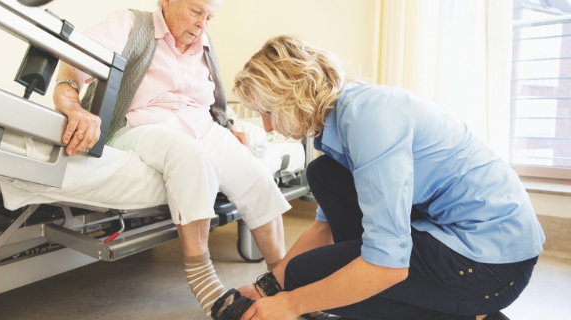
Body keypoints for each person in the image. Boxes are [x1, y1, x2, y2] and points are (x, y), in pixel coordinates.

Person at [229, 35, 545, 320]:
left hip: (491, 264)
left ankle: (466, 313)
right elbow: (321, 229)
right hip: (459, 236)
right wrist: (264, 288)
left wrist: (292, 303)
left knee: (304, 277)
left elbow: (387, 265)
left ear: (294, 94)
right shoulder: (347, 117)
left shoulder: (369, 122)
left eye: (267, 111)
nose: (266, 127)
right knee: (322, 174)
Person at [51, 1, 291, 317]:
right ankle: (206, 285)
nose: (202, 24)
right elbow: (74, 56)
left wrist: (229, 127)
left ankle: (284, 280)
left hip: (203, 126)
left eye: (209, 17)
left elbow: (211, 100)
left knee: (256, 176)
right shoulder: (132, 25)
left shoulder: (204, 43)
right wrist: (73, 106)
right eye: (195, 12)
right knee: (191, 157)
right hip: (141, 125)